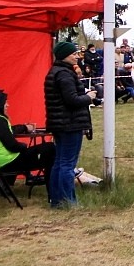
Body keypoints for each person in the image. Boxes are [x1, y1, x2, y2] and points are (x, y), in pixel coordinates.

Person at [0, 85, 56, 197]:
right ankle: (53, 190)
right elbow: (12, 146)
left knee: (46, 149)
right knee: (50, 149)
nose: (7, 105)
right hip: (8, 162)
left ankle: (48, 184)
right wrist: (24, 146)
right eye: (5, 102)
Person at [44, 41, 96, 209]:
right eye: (73, 53)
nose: (76, 56)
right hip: (69, 123)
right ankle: (69, 201)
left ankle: (57, 200)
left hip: (60, 123)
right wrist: (89, 97)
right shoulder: (64, 75)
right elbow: (72, 100)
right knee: (67, 164)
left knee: (59, 163)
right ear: (64, 56)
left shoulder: (56, 72)